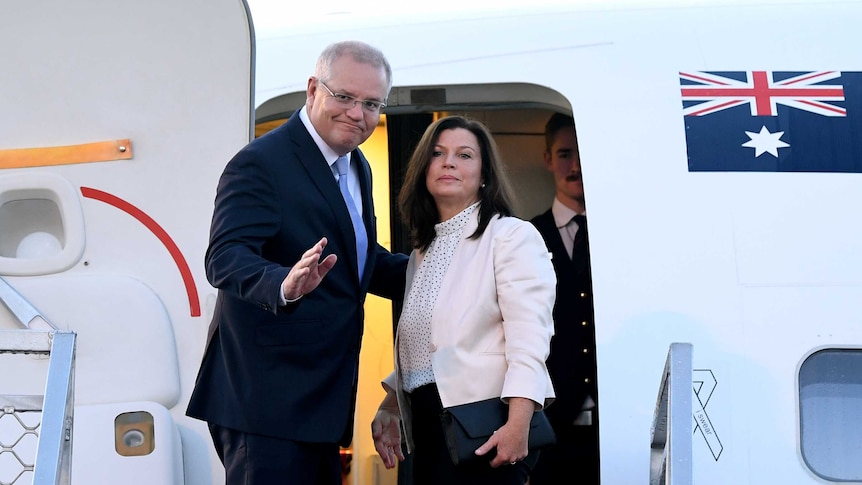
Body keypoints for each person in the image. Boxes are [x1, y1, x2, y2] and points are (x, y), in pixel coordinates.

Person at [186, 40, 408, 484]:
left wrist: (445, 268)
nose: (356, 113)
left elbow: (360, 262)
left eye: (371, 104)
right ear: (312, 90)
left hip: (318, 403)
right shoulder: (261, 162)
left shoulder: (356, 165)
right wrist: (283, 285)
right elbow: (225, 257)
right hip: (266, 402)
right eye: (344, 97)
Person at [370, 115, 557, 485]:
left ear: (485, 174)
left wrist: (519, 423)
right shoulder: (423, 251)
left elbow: (529, 338)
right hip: (427, 425)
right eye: (437, 153)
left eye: (465, 155)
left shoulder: (511, 235)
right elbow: (429, 345)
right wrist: (392, 404)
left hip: (486, 430)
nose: (449, 162)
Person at [528, 113, 600, 484]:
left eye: (582, 153)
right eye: (564, 154)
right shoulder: (526, 237)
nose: (574, 166)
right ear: (548, 159)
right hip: (550, 428)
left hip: (615, 425)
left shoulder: (621, 235)